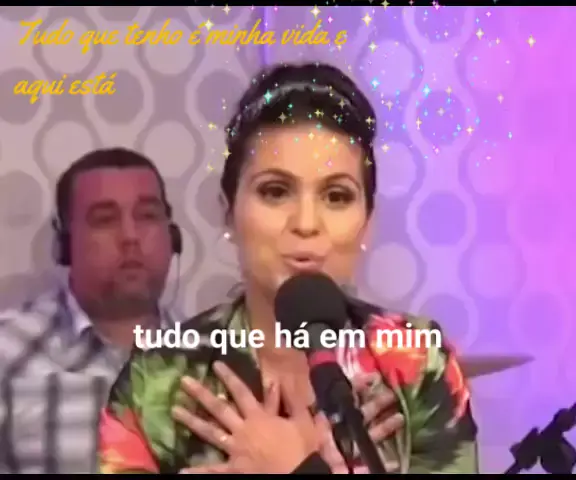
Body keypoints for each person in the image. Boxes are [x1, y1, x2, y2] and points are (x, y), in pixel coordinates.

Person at [98, 63, 478, 474]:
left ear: (367, 221)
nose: (306, 223)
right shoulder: (159, 376)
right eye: (276, 191)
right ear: (228, 212)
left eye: (337, 196)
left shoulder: (416, 360)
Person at [0, 148, 183, 473]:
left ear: (172, 237)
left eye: (147, 215)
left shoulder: (219, 359)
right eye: (104, 219)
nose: (130, 237)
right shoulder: (8, 351)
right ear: (65, 244)